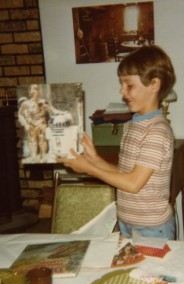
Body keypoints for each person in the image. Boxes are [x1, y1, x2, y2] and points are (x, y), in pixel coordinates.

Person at [59, 45, 176, 240]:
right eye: (121, 84)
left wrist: (89, 168)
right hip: (127, 221)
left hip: (152, 228)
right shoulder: (131, 125)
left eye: (129, 85)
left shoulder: (157, 131)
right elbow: (124, 175)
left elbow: (133, 184)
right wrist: (95, 159)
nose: (122, 91)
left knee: (151, 272)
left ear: (154, 85)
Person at [18, 84, 66, 163]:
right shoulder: (26, 103)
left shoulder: (43, 101)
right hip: (31, 124)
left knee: (42, 141)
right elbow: (20, 114)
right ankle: (33, 159)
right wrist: (25, 124)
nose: (36, 92)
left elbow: (52, 110)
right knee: (33, 142)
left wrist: (62, 113)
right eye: (34, 90)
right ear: (31, 92)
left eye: (37, 90)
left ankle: (42, 158)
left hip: (41, 123)